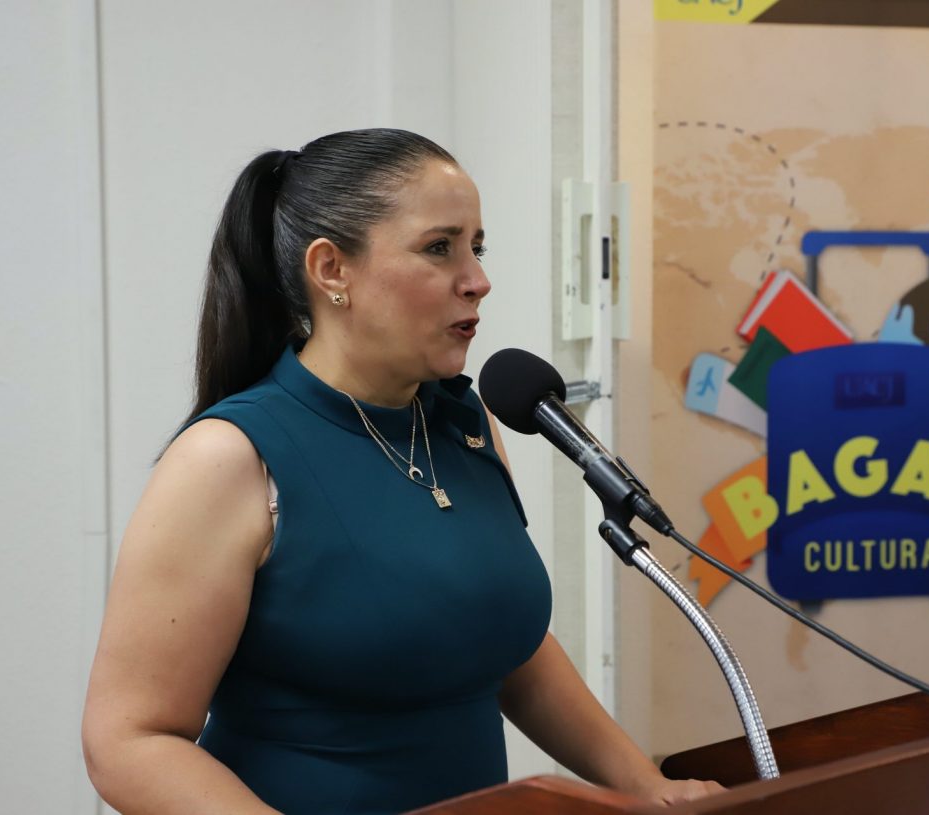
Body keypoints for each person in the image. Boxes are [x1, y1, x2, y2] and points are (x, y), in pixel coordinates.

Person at [81, 128, 723, 814]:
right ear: (332, 270)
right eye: (439, 247)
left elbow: (510, 651)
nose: (477, 280)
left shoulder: (466, 421)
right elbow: (129, 740)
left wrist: (646, 785)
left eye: (477, 247)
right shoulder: (230, 457)